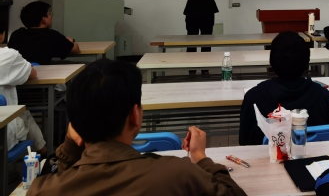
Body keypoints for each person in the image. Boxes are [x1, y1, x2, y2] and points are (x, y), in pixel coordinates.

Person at [28, 59, 247, 196]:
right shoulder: (177, 175)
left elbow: (58, 178)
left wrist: (70, 148)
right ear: (135, 115)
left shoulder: (43, 190)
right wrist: (200, 158)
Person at [239, 31, 329, 145]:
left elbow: (244, 143)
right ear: (307, 62)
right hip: (315, 156)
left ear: (271, 61)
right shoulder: (323, 96)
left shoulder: (253, 97)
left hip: (268, 157)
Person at [0, 11, 47, 155]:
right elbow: (32, 74)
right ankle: (47, 156)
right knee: (23, 114)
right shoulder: (8, 55)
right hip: (3, 132)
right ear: (2, 35)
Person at [8, 1, 80, 65]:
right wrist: (70, 41)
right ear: (44, 19)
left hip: (18, 73)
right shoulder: (52, 36)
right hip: (42, 73)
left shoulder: (16, 35)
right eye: (49, 14)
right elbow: (75, 49)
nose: (51, 16)